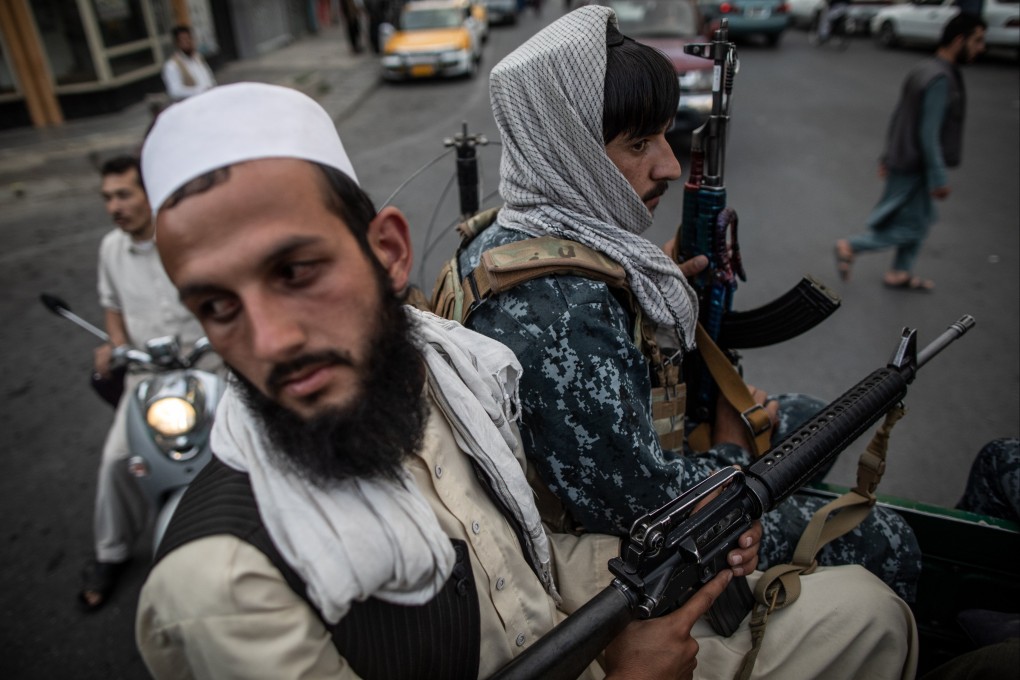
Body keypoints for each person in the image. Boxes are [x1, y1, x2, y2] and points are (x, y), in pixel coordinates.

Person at [135, 82, 917, 679]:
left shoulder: (436, 378)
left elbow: (518, 560)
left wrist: (695, 553)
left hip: (584, 639)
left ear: (389, 253)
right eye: (216, 305)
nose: (270, 341)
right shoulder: (223, 586)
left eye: (297, 271)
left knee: (870, 615)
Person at [454, 5, 922, 601]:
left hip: (625, 472)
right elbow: (653, 507)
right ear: (567, 148)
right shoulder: (565, 309)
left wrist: (638, 280)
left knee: (807, 418)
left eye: (666, 136)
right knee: (888, 538)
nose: (669, 165)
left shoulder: (504, 230)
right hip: (634, 547)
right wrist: (731, 441)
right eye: (639, 143)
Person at [80, 155, 211, 610]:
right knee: (117, 460)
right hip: (146, 378)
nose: (114, 206)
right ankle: (110, 553)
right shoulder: (109, 249)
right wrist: (116, 346)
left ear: (150, 194)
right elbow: (111, 306)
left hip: (207, 367)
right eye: (107, 197)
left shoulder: (187, 235)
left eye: (123, 194)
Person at [834, 13, 987, 292]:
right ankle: (851, 246)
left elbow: (900, 116)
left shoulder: (924, 69)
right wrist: (939, 177)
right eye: (977, 41)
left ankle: (900, 272)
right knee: (912, 227)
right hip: (915, 165)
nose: (981, 48)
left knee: (920, 219)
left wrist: (886, 157)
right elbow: (928, 134)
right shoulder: (940, 78)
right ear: (959, 39)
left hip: (903, 159)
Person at [161, 25, 217, 103]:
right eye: (184, 40)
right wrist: (200, 90)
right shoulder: (172, 65)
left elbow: (209, 77)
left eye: (189, 38)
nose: (188, 42)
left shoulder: (198, 58)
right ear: (177, 43)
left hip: (209, 100)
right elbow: (175, 91)